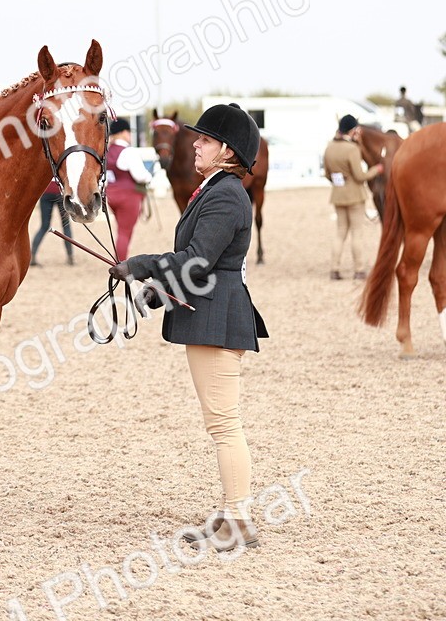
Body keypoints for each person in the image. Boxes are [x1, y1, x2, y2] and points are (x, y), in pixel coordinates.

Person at [109, 103, 269, 551]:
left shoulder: (224, 194)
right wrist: (158, 292)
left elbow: (196, 260)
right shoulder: (215, 189)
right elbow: (205, 265)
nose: (195, 144)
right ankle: (229, 514)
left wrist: (142, 264)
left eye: (205, 139)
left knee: (224, 423)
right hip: (211, 311)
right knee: (220, 421)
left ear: (227, 151)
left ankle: (238, 519)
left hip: (218, 319)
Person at [323, 114, 384, 280]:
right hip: (355, 196)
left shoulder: (329, 147)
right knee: (357, 233)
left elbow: (328, 174)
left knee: (340, 233)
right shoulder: (352, 149)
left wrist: (339, 179)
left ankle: (334, 269)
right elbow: (360, 176)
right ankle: (359, 270)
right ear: (352, 130)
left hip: (337, 195)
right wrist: (376, 169)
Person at [103, 117, 153, 262]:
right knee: (125, 233)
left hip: (111, 195)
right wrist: (149, 176)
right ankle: (120, 262)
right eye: (128, 132)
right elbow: (140, 176)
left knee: (121, 231)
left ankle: (120, 259)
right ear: (123, 132)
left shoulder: (107, 151)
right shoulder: (128, 152)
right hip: (128, 196)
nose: (130, 135)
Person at [29, 180, 74, 266]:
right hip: (61, 192)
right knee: (66, 225)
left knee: (44, 226)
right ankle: (70, 257)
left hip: (46, 192)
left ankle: (33, 256)